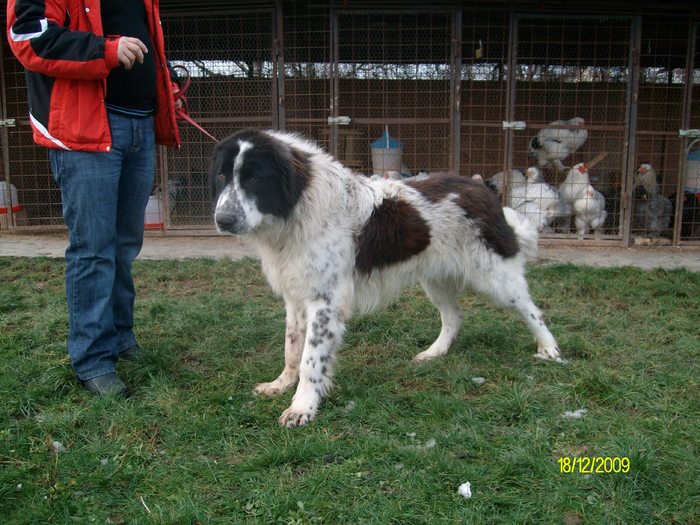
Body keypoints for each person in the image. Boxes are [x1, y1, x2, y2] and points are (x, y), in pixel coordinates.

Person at [6, 0, 181, 396]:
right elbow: (28, 36)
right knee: (93, 248)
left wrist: (161, 87)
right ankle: (93, 360)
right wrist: (106, 49)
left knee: (123, 246)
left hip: (139, 124)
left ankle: (120, 339)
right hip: (85, 129)